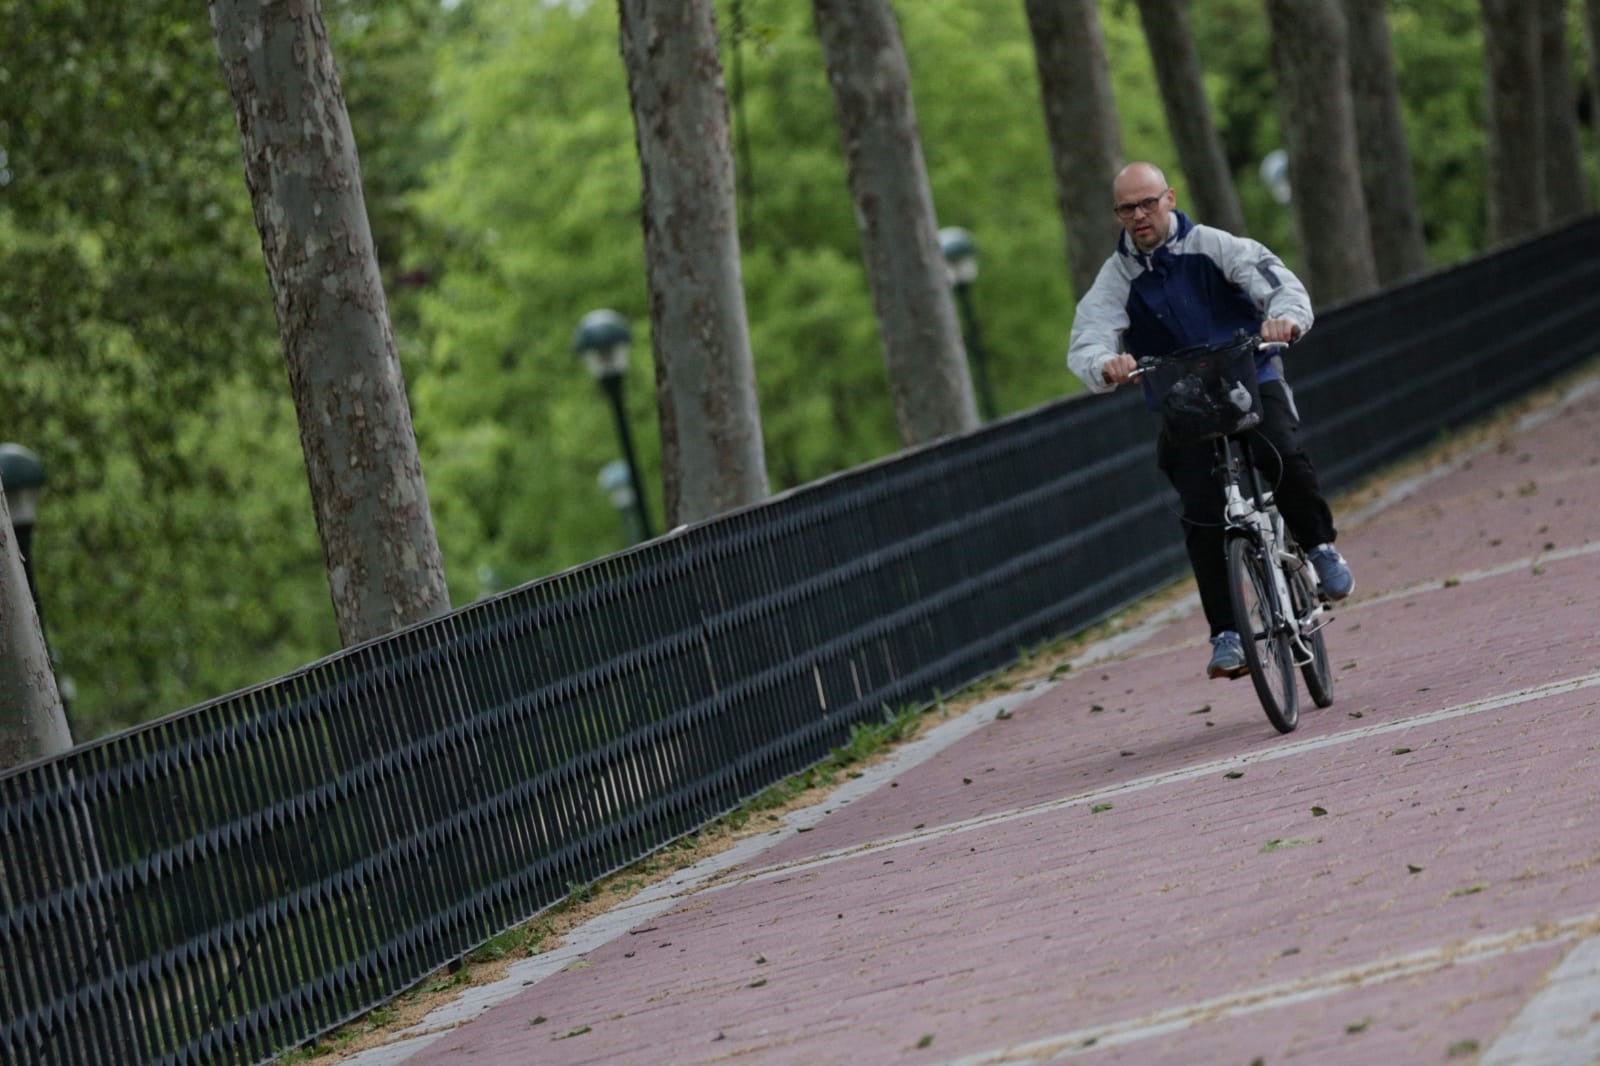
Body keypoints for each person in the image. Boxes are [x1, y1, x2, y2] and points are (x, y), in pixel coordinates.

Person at [1067, 161, 1354, 680]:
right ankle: (1227, 633)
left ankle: (1320, 547)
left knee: (1283, 454)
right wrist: (1104, 365)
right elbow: (1088, 337)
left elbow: (1278, 284)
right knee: (1201, 514)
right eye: (1126, 209)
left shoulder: (1217, 247)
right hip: (1183, 400)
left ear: (1169, 199)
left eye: (1148, 203)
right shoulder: (1118, 277)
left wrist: (1285, 320)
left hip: (1249, 373)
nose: (1138, 216)